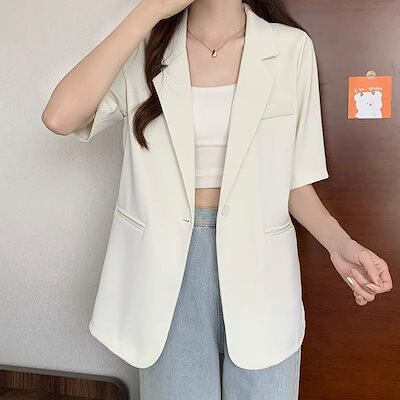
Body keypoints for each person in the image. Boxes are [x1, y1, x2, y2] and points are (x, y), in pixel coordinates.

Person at [42, 0, 393, 398]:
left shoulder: (290, 48)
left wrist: (340, 244)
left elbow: (294, 181)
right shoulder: (145, 47)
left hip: (262, 273)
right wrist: (148, 11)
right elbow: (59, 117)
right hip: (165, 271)